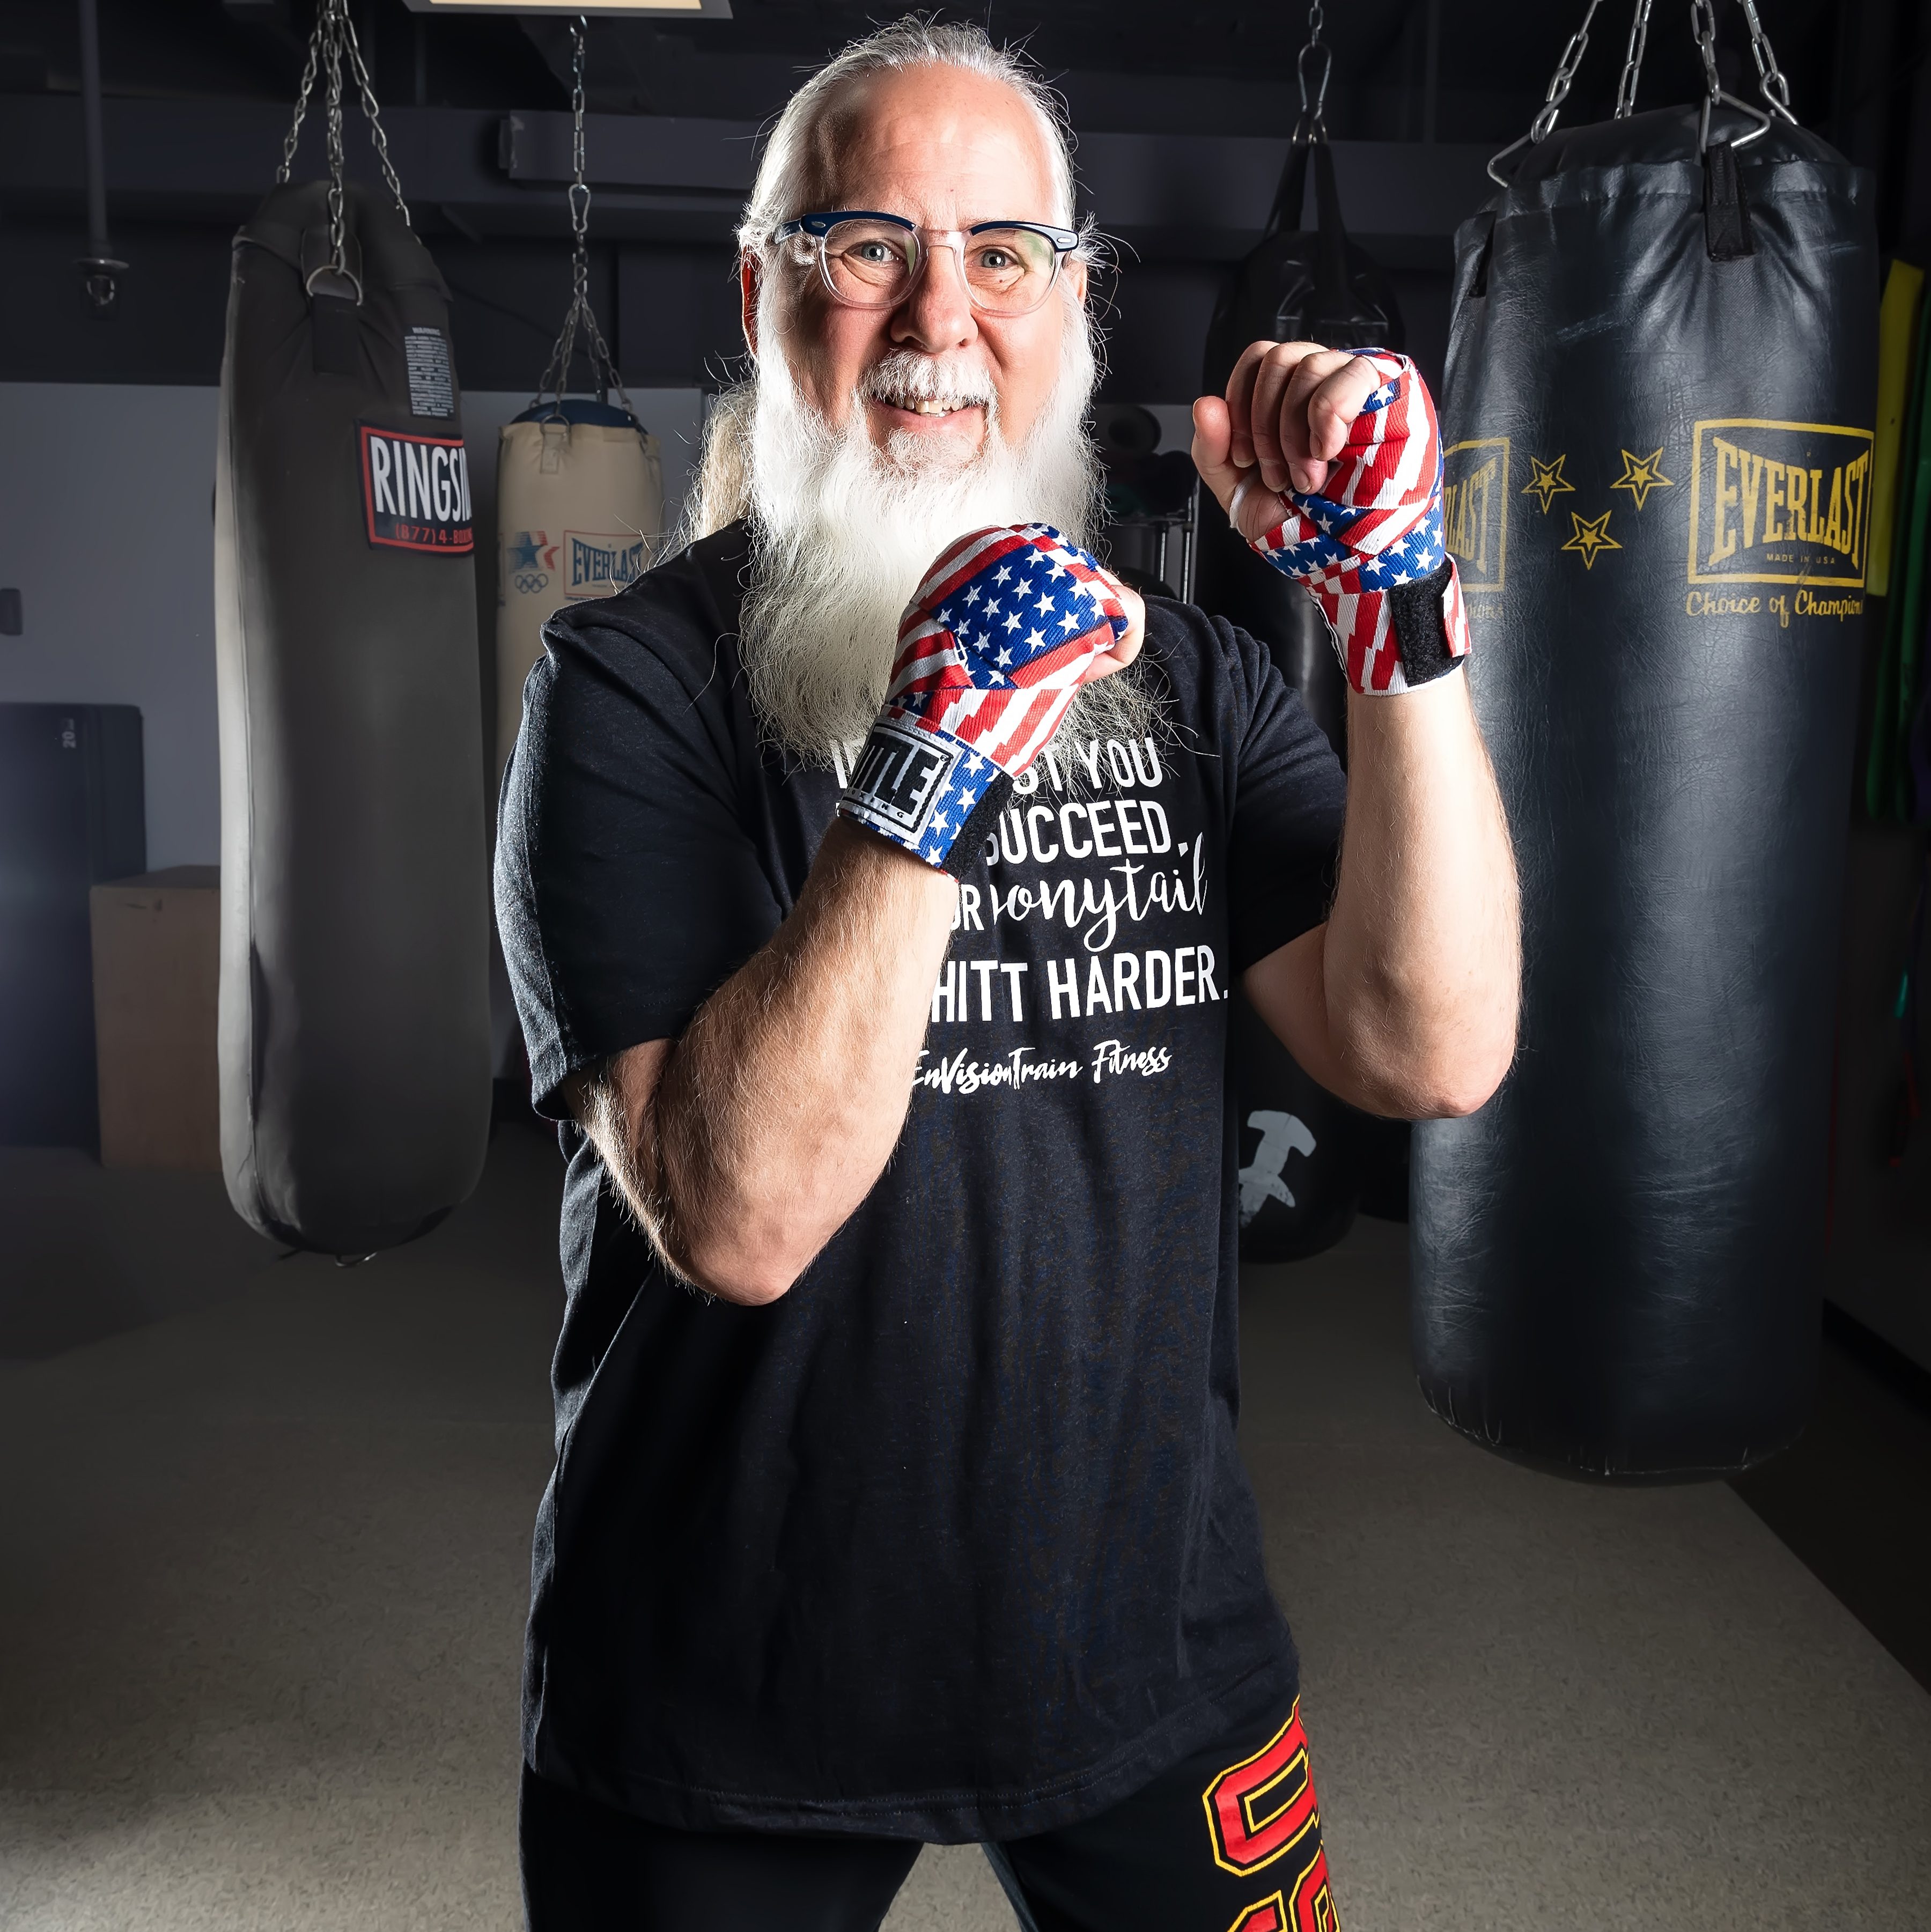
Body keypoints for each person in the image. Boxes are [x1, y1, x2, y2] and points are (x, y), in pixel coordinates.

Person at [495, 19, 1519, 1930]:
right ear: (762, 291)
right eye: (867, 243)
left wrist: (1397, 616)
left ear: (1077, 309)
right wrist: (934, 752)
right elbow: (738, 1215)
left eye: (1004, 253)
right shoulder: (626, 687)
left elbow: (1431, 1044)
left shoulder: (1189, 677)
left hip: (1147, 1633)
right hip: (732, 1659)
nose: (938, 314)